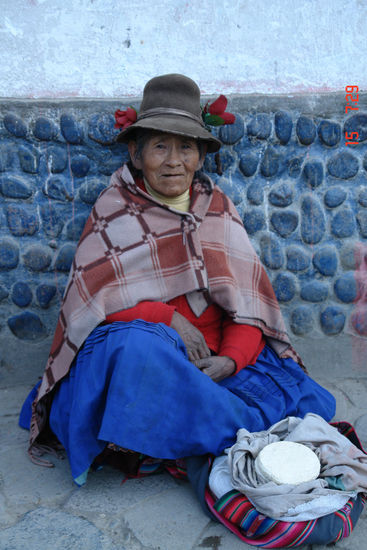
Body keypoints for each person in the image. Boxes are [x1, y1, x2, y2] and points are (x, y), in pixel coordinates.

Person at [21, 73, 335, 486]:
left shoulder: (218, 209)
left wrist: (231, 359)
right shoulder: (115, 210)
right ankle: (225, 429)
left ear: (201, 156)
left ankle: (180, 425)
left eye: (186, 146)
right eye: (159, 146)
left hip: (212, 355)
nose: (173, 160)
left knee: (309, 397)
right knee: (136, 351)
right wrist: (167, 318)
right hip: (148, 344)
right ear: (135, 154)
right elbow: (95, 302)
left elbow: (249, 303)